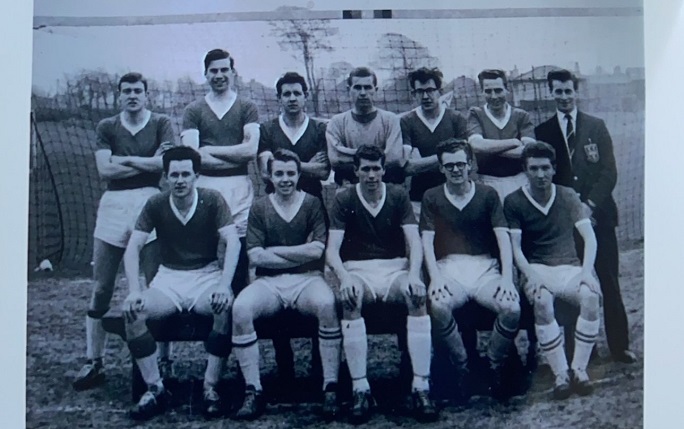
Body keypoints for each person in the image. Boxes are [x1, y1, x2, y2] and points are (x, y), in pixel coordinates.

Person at [121, 146, 240, 420]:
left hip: (205, 276)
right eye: (174, 175)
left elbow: (232, 241)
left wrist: (224, 284)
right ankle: (156, 388)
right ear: (165, 177)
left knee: (224, 307)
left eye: (186, 174)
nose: (180, 180)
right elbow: (133, 246)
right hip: (169, 279)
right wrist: (134, 291)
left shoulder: (212, 199)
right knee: (133, 312)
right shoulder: (156, 203)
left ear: (197, 175)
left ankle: (210, 387)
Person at [73, 72, 174, 391]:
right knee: (102, 287)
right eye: (127, 91)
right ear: (119, 96)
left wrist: (127, 160)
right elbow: (105, 170)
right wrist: (147, 161)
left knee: (154, 284)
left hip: (150, 200)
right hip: (114, 204)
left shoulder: (161, 123)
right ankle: (94, 361)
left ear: (147, 95)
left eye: (138, 91)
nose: (132, 95)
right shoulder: (106, 126)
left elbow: (164, 165)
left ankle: (163, 359)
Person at [326, 144, 437, 424]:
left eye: (377, 168)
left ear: (384, 170)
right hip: (358, 270)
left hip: (394, 267)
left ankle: (421, 386)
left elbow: (413, 240)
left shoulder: (398, 195)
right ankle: (360, 388)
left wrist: (413, 274)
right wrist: (345, 277)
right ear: (356, 172)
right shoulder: (344, 198)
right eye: (366, 169)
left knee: (416, 297)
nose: (372, 175)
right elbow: (331, 250)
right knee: (349, 299)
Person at [534, 69, 636, 364]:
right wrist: (572, 209)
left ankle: (619, 346)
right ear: (551, 93)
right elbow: (546, 177)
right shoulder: (544, 132)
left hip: (599, 217)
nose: (564, 97)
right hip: (566, 223)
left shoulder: (596, 126)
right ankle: (583, 349)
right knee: (574, 283)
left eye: (568, 91)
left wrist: (589, 204)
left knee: (608, 280)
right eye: (558, 92)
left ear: (575, 92)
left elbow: (609, 172)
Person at [232, 149, 341, 421]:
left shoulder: (313, 203)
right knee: (241, 308)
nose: (285, 179)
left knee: (327, 304)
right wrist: (298, 251)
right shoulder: (259, 206)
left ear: (298, 175)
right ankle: (253, 389)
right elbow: (255, 255)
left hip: (307, 280)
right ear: (269, 176)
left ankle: (330, 386)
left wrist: (277, 252)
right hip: (269, 282)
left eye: (290, 173)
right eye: (279, 173)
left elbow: (318, 250)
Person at [422, 139, 520, 402]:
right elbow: (427, 244)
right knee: (439, 305)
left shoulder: (487, 194)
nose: (456, 170)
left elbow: (503, 239)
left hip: (485, 267)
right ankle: (463, 367)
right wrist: (435, 277)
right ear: (441, 168)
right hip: (449, 268)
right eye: (449, 165)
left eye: (461, 164)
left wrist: (507, 278)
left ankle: (492, 367)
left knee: (512, 309)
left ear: (470, 165)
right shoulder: (432, 196)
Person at [504, 142, 601, 400]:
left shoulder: (568, 195)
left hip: (570, 267)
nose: (540, 174)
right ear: (525, 170)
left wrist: (586, 272)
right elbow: (515, 249)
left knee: (591, 297)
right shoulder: (514, 201)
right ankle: (560, 374)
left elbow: (589, 239)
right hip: (538, 268)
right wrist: (531, 275)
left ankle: (579, 369)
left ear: (554, 169)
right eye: (533, 168)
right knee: (543, 301)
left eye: (545, 168)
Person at [180, 48, 259, 292]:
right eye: (213, 70)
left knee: (241, 254)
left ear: (233, 72)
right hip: (206, 186)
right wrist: (229, 155)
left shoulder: (247, 107)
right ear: (205, 74)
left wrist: (210, 151)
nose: (219, 75)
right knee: (206, 254)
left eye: (224, 69)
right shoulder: (194, 110)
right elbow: (193, 157)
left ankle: (239, 317)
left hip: (239, 187)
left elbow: (250, 151)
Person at [402, 67, 468, 219]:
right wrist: (448, 157)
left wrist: (421, 163)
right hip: (420, 198)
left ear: (440, 91)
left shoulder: (456, 119)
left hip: (454, 196)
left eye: (430, 90)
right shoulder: (407, 122)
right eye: (420, 91)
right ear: (413, 94)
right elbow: (407, 167)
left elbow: (464, 157)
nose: (425, 96)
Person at [326, 67, 405, 186]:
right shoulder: (336, 122)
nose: (363, 93)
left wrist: (352, 157)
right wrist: (378, 154)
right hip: (349, 188)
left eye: (367, 87)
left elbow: (395, 158)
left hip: (385, 187)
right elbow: (335, 158)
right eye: (357, 88)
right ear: (349, 90)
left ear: (376, 90)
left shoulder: (390, 120)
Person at [258, 72, 330, 200]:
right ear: (279, 98)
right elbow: (265, 173)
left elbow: (323, 172)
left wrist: (279, 167)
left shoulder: (319, 129)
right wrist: (308, 166)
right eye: (286, 94)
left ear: (305, 96)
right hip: (276, 201)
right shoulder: (267, 129)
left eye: (297, 93)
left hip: (311, 200)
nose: (292, 99)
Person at [467, 69, 536, 201]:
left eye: (498, 90)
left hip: (520, 181)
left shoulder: (521, 116)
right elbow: (476, 145)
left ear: (506, 90)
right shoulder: (476, 114)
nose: (493, 96)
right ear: (482, 92)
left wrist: (488, 148)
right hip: (488, 182)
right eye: (488, 91)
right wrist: (514, 142)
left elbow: (529, 151)